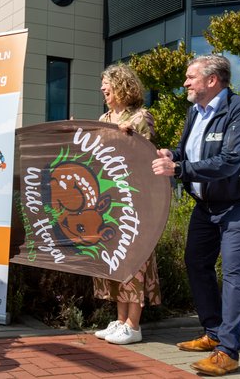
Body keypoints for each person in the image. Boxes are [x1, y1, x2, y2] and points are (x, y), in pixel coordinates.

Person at [152, 55, 240, 377]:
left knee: (234, 272)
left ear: (212, 80)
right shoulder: (195, 112)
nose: (186, 83)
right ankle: (213, 332)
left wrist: (178, 169)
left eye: (191, 77)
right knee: (196, 262)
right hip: (207, 205)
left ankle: (228, 352)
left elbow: (230, 160)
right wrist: (172, 155)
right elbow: (190, 152)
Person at [93, 63, 161, 346]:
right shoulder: (104, 117)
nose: (102, 90)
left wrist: (126, 138)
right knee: (116, 259)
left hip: (135, 200)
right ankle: (120, 321)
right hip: (110, 202)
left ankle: (134, 325)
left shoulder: (141, 117)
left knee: (134, 259)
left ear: (121, 86)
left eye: (106, 85)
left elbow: (147, 158)